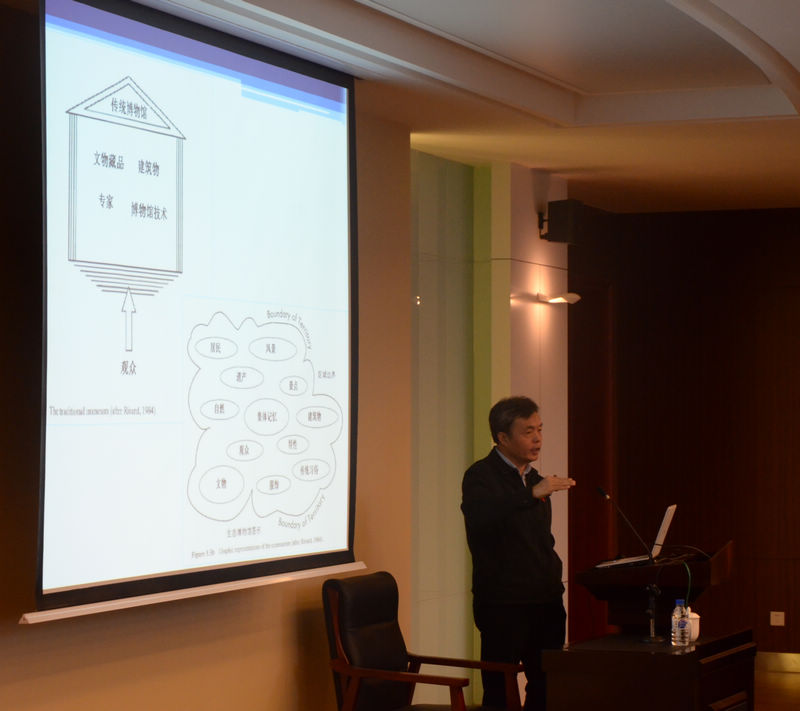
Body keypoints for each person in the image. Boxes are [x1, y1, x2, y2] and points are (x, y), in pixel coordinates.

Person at [461, 396, 575, 711]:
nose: (537, 438)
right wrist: (530, 494)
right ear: (503, 437)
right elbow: (482, 517)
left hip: (546, 601)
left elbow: (540, 540)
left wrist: (554, 578)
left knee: (547, 687)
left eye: (540, 429)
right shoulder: (480, 476)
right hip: (503, 604)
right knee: (500, 692)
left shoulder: (536, 480)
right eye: (528, 432)